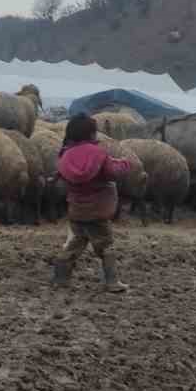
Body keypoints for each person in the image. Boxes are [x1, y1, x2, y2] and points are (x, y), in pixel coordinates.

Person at [53, 113, 132, 291]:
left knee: (75, 243)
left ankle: (60, 277)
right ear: (91, 134)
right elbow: (113, 171)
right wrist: (126, 164)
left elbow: (60, 174)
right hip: (98, 211)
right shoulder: (98, 154)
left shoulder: (65, 155)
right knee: (105, 245)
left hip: (77, 210)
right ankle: (111, 281)